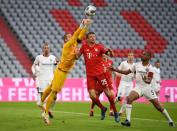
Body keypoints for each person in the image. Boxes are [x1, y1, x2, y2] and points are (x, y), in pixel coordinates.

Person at [41, 19, 92, 125]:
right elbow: (76, 34)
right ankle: (45, 113)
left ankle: (42, 102)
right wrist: (83, 24)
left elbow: (79, 36)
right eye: (68, 37)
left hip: (64, 72)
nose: (70, 37)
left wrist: (86, 26)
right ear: (65, 40)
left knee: (51, 87)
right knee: (54, 92)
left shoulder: (74, 46)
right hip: (60, 71)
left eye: (70, 36)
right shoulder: (67, 46)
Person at [110, 51, 175, 127]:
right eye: (142, 54)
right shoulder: (137, 65)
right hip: (138, 87)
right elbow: (126, 72)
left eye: (144, 54)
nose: (142, 55)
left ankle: (170, 120)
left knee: (158, 107)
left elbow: (149, 81)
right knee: (129, 98)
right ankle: (128, 121)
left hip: (147, 88)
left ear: (148, 57)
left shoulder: (151, 68)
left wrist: (145, 80)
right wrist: (114, 69)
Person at [76, 32, 120, 123]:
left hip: (100, 74)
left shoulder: (99, 47)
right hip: (90, 75)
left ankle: (115, 112)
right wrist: (75, 50)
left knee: (109, 94)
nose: (93, 38)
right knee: (92, 95)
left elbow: (109, 54)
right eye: (91, 37)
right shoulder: (84, 47)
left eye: (94, 37)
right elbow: (77, 57)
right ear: (87, 39)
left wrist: (111, 52)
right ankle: (103, 108)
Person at [31, 43, 57, 118]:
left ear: (50, 49)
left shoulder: (53, 57)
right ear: (42, 49)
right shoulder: (39, 58)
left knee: (54, 97)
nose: (46, 49)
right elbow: (34, 66)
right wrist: (34, 73)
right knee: (41, 101)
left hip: (51, 80)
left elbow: (58, 65)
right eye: (45, 48)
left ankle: (47, 110)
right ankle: (46, 111)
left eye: (48, 48)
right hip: (41, 80)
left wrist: (56, 73)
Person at [115, 51, 135, 116]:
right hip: (123, 82)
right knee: (119, 98)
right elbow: (117, 71)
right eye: (129, 55)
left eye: (132, 55)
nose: (131, 57)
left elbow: (136, 75)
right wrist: (119, 75)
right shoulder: (123, 63)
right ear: (127, 56)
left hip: (130, 83)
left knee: (128, 99)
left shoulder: (135, 65)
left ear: (133, 57)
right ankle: (111, 106)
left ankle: (120, 112)